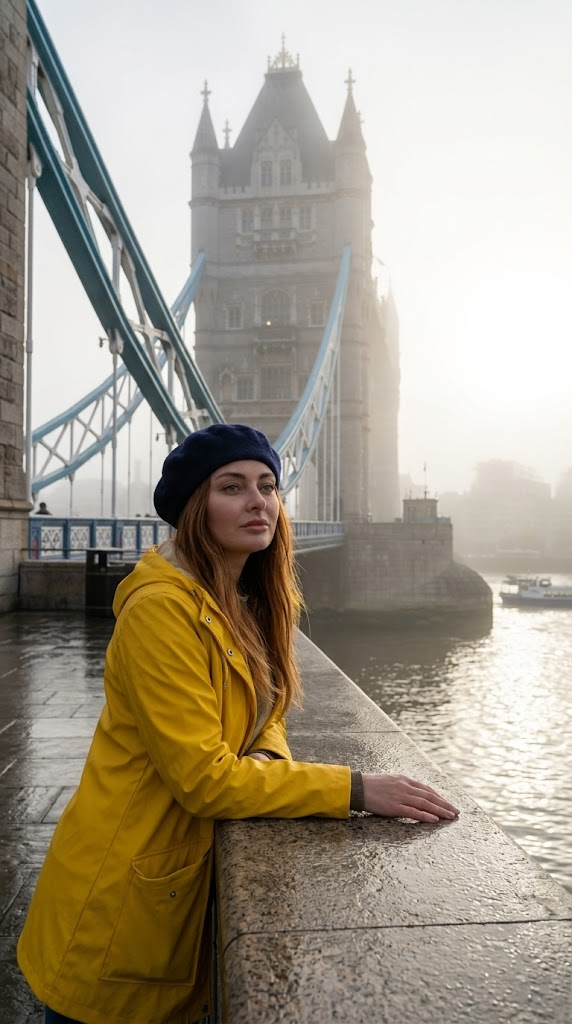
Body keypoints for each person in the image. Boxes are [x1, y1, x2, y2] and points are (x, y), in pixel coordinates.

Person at [18, 422, 459, 1024]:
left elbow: (268, 708)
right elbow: (204, 779)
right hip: (116, 910)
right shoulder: (161, 612)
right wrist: (355, 789)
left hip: (167, 897)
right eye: (232, 487)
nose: (259, 501)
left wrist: (268, 761)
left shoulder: (237, 597)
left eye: (268, 485)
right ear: (195, 509)